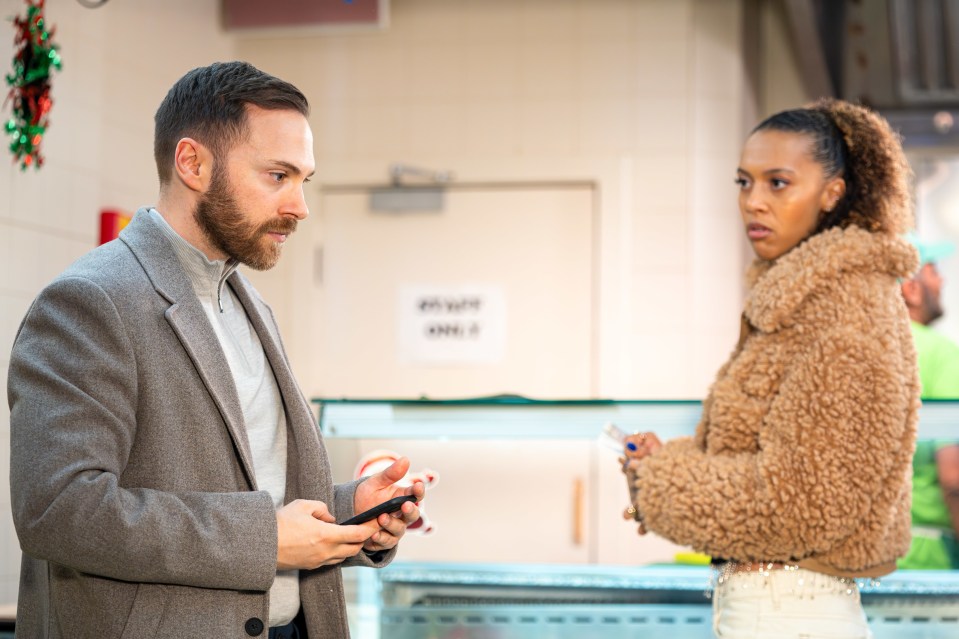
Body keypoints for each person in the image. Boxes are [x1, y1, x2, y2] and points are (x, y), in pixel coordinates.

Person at [7, 61, 425, 639]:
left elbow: (255, 494)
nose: (300, 205)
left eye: (304, 180)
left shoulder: (247, 301)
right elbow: (58, 511)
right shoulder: (90, 301)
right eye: (278, 176)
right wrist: (268, 538)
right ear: (193, 164)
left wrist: (352, 510)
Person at [621, 99, 919, 638]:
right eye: (743, 182)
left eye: (778, 183)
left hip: (790, 615)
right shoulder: (799, 304)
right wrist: (667, 463)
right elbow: (769, 460)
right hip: (776, 608)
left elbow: (802, 502)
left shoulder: (845, 313)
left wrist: (662, 480)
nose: (753, 202)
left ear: (834, 192)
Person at [898, 233, 959, 570]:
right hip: (930, 554)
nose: (942, 280)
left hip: (867, 554)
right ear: (912, 288)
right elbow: (953, 477)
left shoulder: (859, 352)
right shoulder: (942, 354)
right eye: (934, 271)